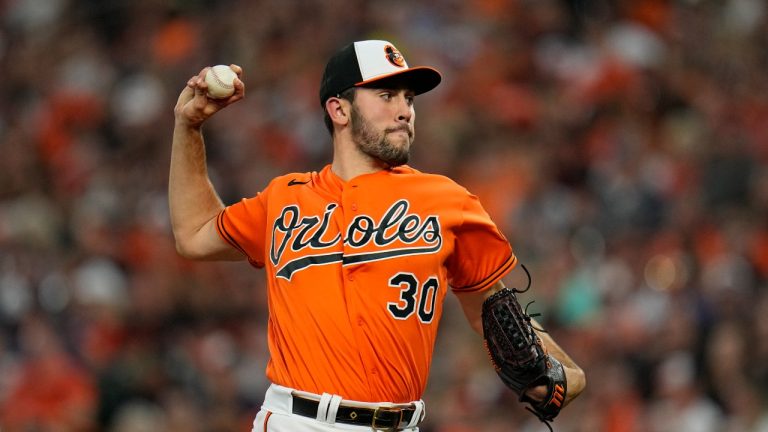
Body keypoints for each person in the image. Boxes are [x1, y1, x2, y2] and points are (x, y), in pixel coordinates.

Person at [170, 39, 585, 431]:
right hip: (298, 420)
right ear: (339, 110)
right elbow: (194, 234)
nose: (404, 110)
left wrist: (565, 370)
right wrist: (187, 128)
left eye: (408, 98)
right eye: (386, 96)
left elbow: (493, 310)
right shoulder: (284, 199)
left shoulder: (447, 200)